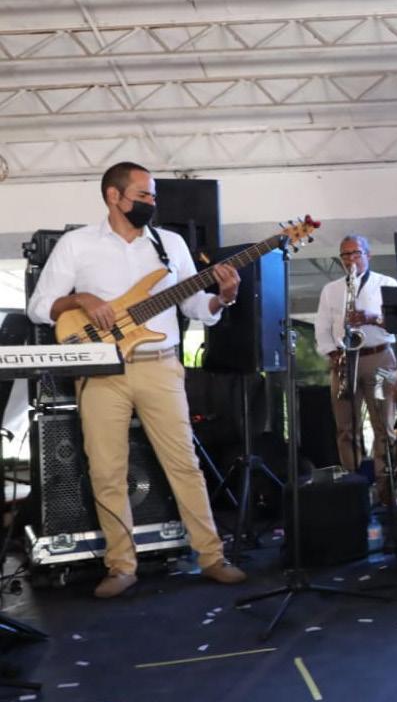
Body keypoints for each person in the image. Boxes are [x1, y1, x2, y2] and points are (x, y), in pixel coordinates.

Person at [26, 161, 247, 599]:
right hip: (100, 369)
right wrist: (80, 299)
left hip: (159, 364)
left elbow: (194, 307)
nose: (152, 202)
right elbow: (38, 307)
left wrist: (223, 298)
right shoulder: (77, 244)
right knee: (107, 470)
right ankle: (121, 565)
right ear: (114, 196)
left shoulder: (170, 244)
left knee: (184, 464)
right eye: (143, 195)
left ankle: (212, 556)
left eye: (153, 195)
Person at [314, 235, 397, 480]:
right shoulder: (331, 290)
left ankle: (385, 484)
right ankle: (354, 483)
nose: (350, 259)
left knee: (383, 425)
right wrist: (333, 353)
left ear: (368, 255)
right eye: (345, 255)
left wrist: (371, 318)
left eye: (356, 253)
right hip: (344, 360)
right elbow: (322, 327)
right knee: (345, 427)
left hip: (379, 358)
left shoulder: (387, 283)